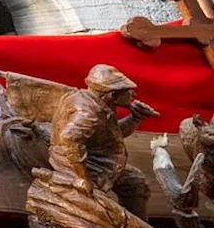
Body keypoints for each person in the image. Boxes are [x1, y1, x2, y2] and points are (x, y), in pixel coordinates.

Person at [49, 64, 158, 216]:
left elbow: (111, 134)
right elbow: (69, 138)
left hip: (94, 156)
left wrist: (136, 118)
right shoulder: (88, 113)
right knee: (130, 185)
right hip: (81, 163)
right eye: (127, 92)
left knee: (135, 181)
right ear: (112, 95)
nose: (133, 95)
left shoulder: (97, 101)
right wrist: (82, 177)